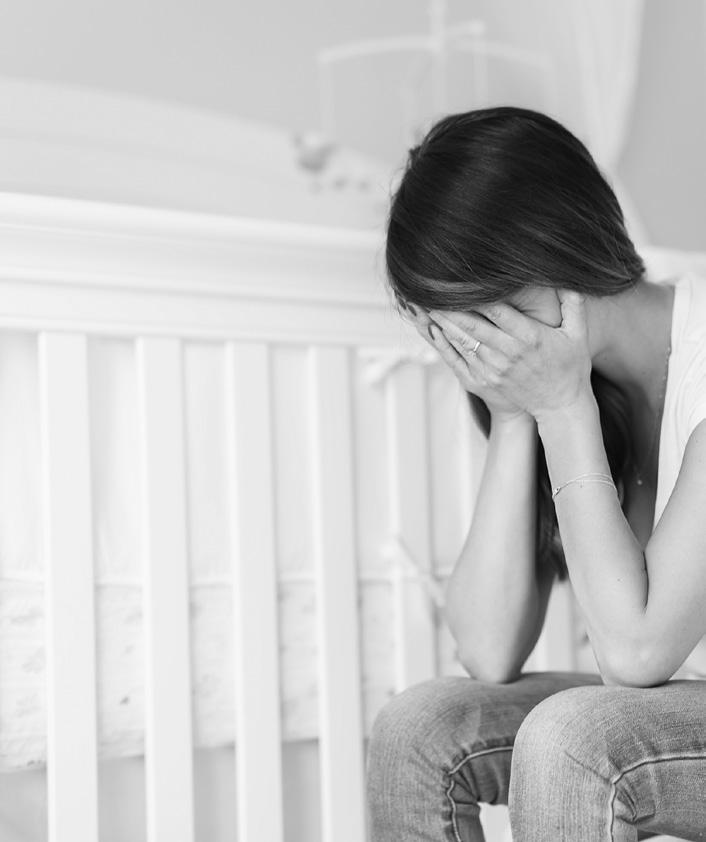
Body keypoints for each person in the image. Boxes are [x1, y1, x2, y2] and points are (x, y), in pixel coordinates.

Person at [366, 106, 706, 841]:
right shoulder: (572, 390)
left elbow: (637, 653)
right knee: (417, 728)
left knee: (573, 739)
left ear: (552, 258)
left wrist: (560, 405)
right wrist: (515, 413)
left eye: (474, 316)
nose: (471, 346)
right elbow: (488, 649)